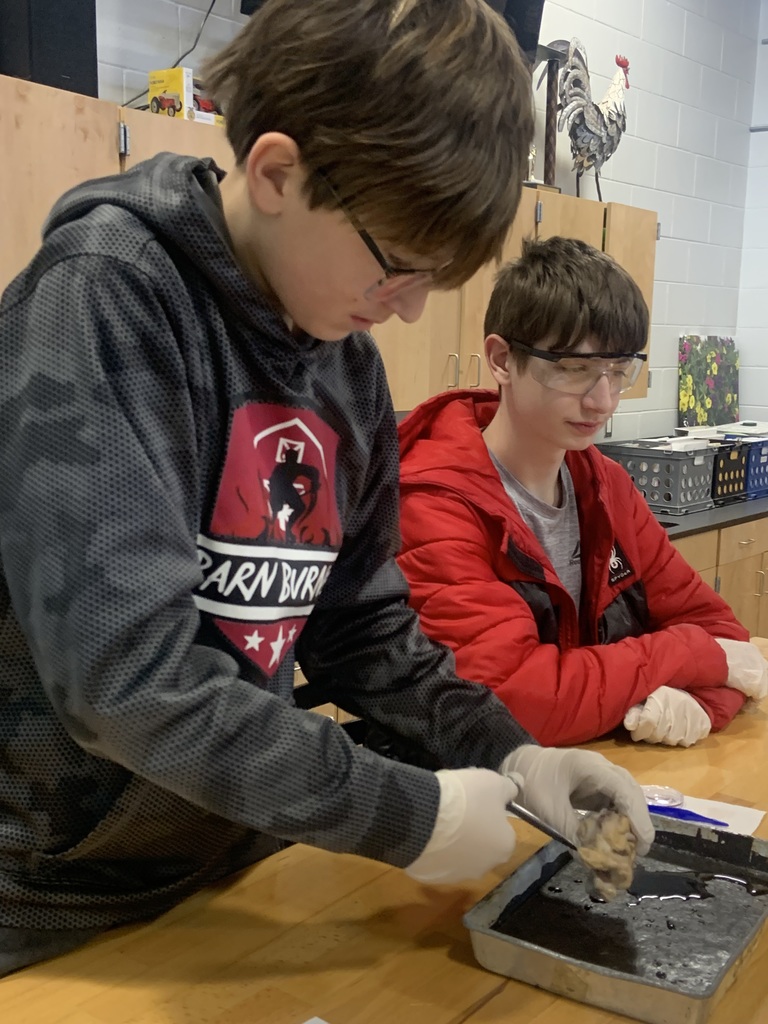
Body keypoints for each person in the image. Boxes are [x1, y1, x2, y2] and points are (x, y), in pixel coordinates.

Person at [0, 1, 654, 975]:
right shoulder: (103, 298)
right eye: (397, 267)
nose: (410, 310)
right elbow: (130, 680)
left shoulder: (339, 353)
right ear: (276, 172)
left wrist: (513, 756)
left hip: (236, 861)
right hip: (54, 910)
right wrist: (412, 814)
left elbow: (364, 629)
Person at [397, 236, 768, 748]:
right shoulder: (434, 506)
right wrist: (689, 657)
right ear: (502, 359)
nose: (603, 400)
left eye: (618, 371)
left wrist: (703, 704)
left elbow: (721, 634)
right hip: (483, 796)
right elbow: (516, 702)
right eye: (575, 369)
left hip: (604, 775)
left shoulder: (605, 485)